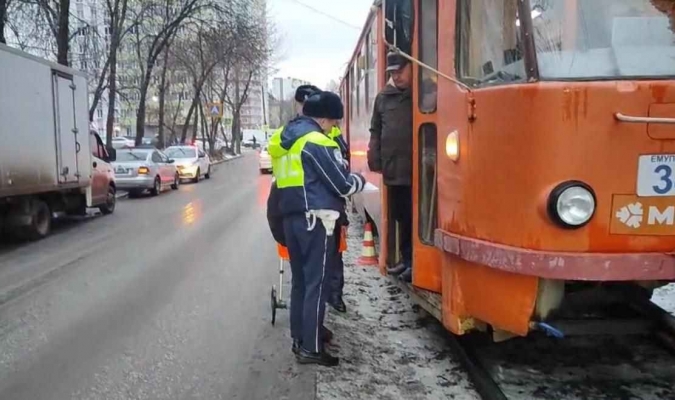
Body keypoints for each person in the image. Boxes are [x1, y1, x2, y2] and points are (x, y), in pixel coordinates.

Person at [270, 91, 366, 367]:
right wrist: (360, 181)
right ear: (323, 119)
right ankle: (311, 348)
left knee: (300, 282)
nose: (333, 127)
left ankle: (300, 339)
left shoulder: (285, 141)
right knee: (317, 284)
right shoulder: (315, 141)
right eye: (333, 122)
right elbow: (341, 185)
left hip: (291, 219)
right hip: (317, 220)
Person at [367, 51, 414, 283]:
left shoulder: (423, 92)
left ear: (412, 67)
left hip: (418, 170)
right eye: (392, 73)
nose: (396, 76)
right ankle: (407, 259)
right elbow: (375, 129)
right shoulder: (384, 98)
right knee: (401, 216)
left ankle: (415, 261)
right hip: (394, 169)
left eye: (400, 71)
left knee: (415, 217)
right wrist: (374, 159)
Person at [326, 125, 350, 313]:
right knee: (333, 254)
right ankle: (333, 295)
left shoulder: (334, 134)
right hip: (325, 206)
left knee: (334, 252)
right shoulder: (332, 137)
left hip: (330, 207)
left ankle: (333, 295)